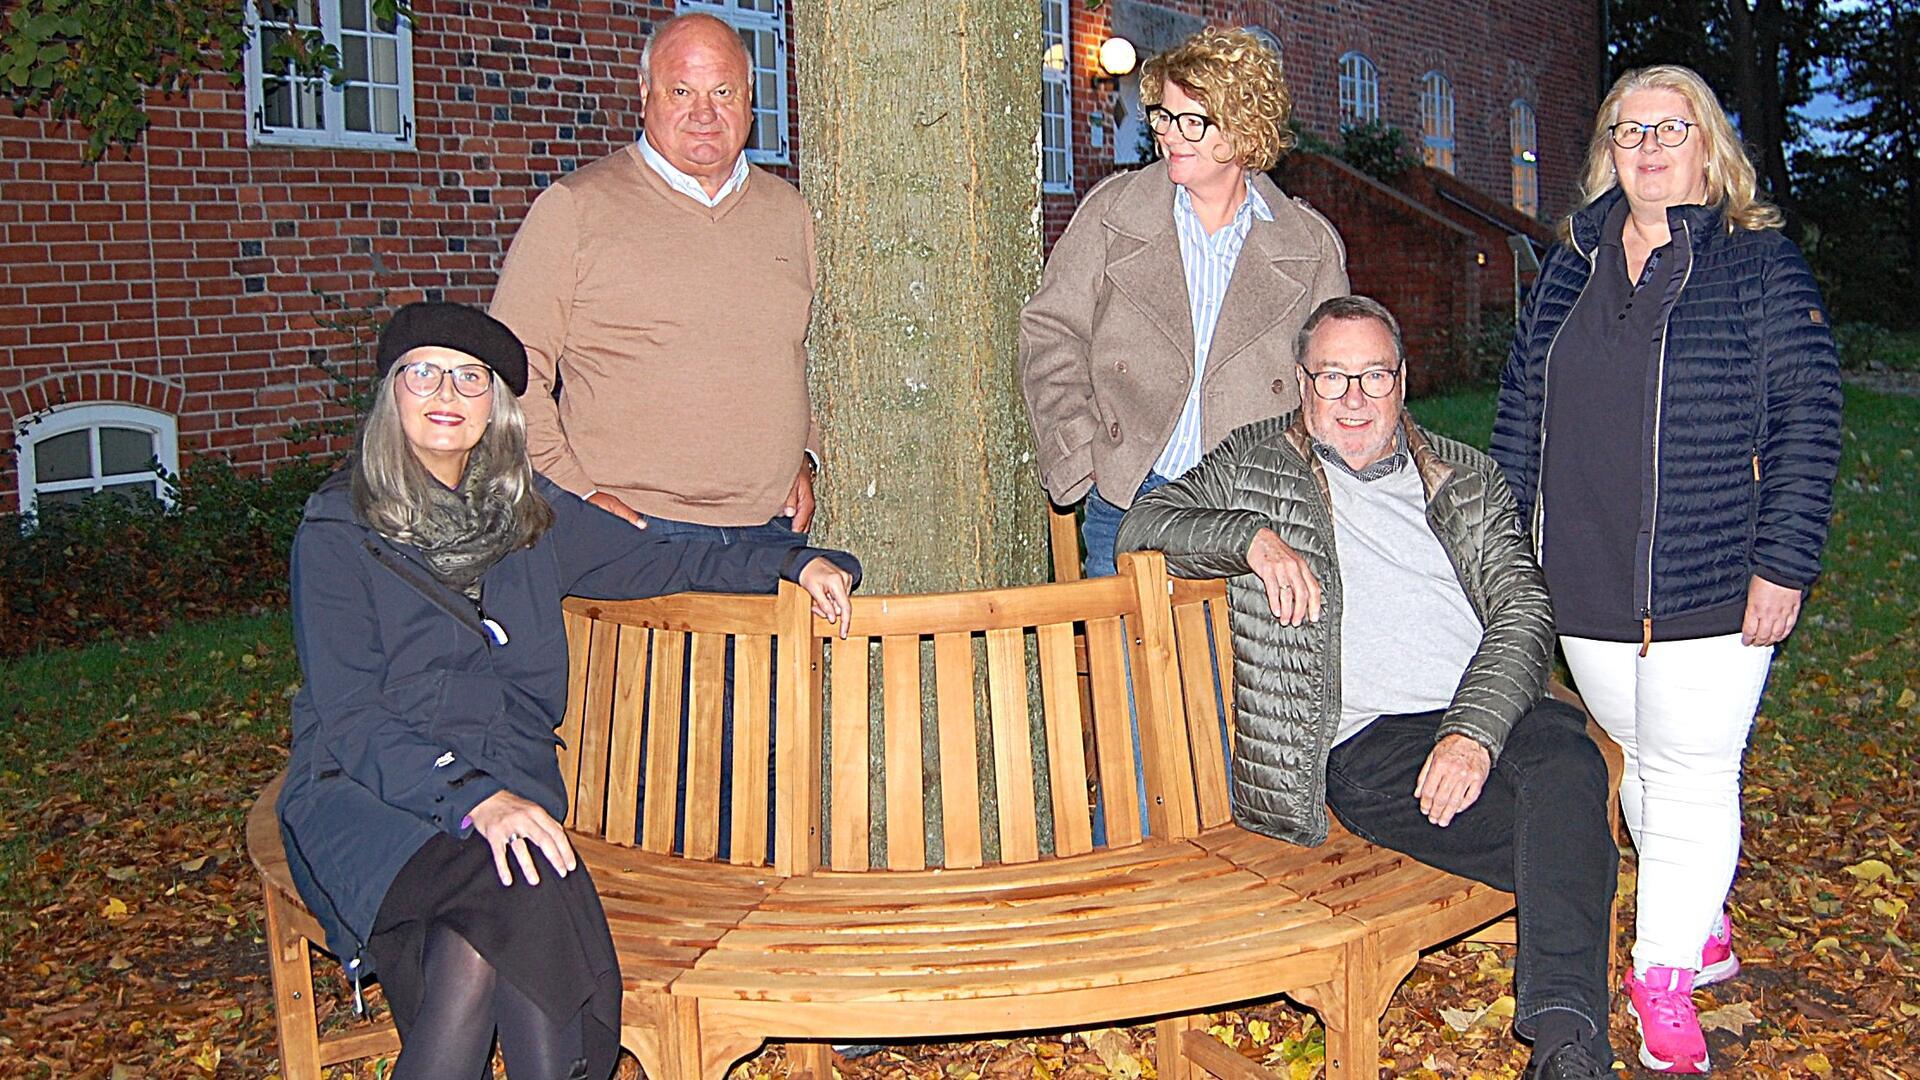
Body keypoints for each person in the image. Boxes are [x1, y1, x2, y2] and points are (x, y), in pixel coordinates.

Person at [275, 302, 858, 1080]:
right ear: (393, 394)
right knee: (523, 874)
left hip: (503, 788)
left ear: (496, 407)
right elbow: (351, 721)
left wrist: (794, 562)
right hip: (371, 798)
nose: (445, 392)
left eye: (470, 377)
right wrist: (477, 798)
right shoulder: (338, 533)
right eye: (424, 372)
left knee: (490, 924)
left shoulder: (528, 519)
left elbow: (663, 562)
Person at [1120, 296, 1619, 1080]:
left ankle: (1565, 1048)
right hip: (1370, 743)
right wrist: (1250, 539)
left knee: (1568, 768)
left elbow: (1523, 611)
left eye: (1374, 376)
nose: (1354, 399)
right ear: (1302, 383)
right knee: (1568, 824)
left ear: (1403, 381)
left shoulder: (1465, 478)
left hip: (1487, 714)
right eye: (1333, 378)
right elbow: (1143, 523)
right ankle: (1572, 1043)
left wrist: (1472, 734)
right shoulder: (1254, 464)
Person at [1489, 65, 1842, 1074]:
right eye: (1629, 129)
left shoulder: (1757, 265)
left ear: (1709, 148)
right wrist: (1511, 540)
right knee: (1648, 758)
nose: (1649, 148)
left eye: (1671, 129)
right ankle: (1702, 914)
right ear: (1608, 149)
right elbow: (1523, 407)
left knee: (1689, 771)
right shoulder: (1571, 264)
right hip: (1585, 572)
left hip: (1715, 569)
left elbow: (1811, 419)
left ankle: (1663, 973)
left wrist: (1785, 559)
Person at [1020, 25, 1348, 579]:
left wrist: (1305, 490)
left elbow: (1333, 382)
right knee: (1127, 667)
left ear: (1245, 132)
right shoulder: (1113, 213)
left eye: (1192, 121)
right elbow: (1051, 333)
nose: (1170, 136)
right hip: (1129, 501)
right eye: (1163, 117)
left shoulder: (1309, 246)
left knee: (1231, 669)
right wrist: (1084, 455)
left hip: (1253, 513)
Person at [490, 11, 822, 544]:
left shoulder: (790, 214)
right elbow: (508, 367)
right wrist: (577, 493)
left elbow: (811, 358)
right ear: (645, 92)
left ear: (750, 95)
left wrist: (807, 453)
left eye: (723, 91)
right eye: (682, 91)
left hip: (773, 529)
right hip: (632, 531)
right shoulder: (574, 209)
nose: (705, 113)